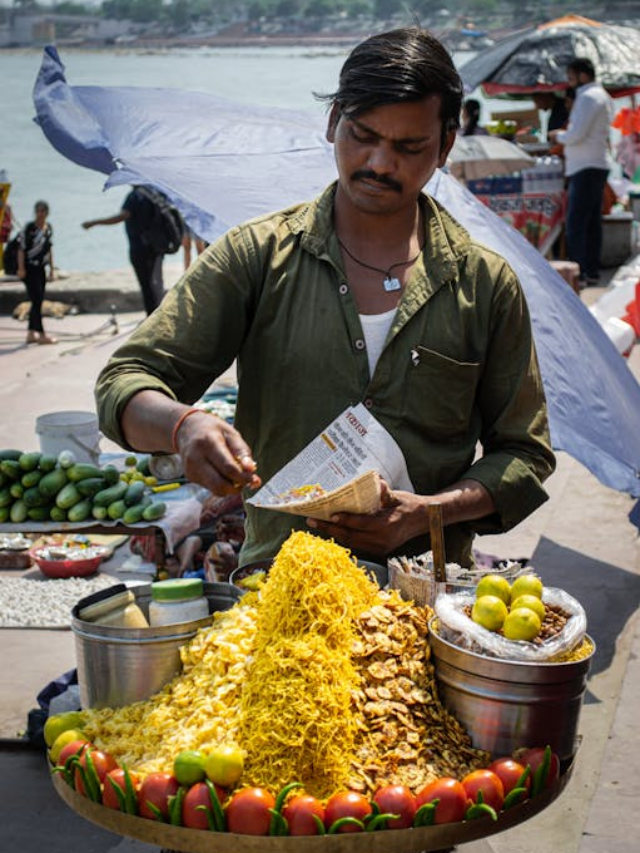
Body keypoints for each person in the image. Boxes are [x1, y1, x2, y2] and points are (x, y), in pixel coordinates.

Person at [96, 27, 555, 569]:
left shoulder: (484, 283)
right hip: (274, 597)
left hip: (422, 604)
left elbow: (523, 455)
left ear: (445, 146)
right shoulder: (257, 257)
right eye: (362, 135)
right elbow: (124, 385)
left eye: (409, 147)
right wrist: (183, 426)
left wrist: (426, 512)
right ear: (334, 120)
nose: (381, 163)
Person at [548, 58, 614, 287]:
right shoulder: (602, 95)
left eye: (570, 76)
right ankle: (591, 271)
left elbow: (576, 134)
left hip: (585, 166)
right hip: (595, 164)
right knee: (592, 223)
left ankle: (579, 273)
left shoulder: (587, 97)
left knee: (576, 223)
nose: (569, 81)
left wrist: (558, 136)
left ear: (582, 75)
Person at [82, 186, 167, 315]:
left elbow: (122, 216)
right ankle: (160, 316)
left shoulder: (134, 196)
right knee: (157, 283)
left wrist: (95, 222)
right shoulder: (156, 193)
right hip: (157, 247)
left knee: (147, 286)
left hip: (140, 249)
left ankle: (152, 319)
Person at [17, 200, 57, 345]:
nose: (40, 214)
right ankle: (41, 335)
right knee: (37, 300)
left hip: (41, 268)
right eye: (38, 211)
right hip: (29, 268)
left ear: (47, 213)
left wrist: (52, 269)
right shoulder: (29, 228)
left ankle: (30, 334)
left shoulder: (48, 229)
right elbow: (21, 249)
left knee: (37, 302)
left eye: (43, 211)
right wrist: (21, 268)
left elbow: (49, 249)